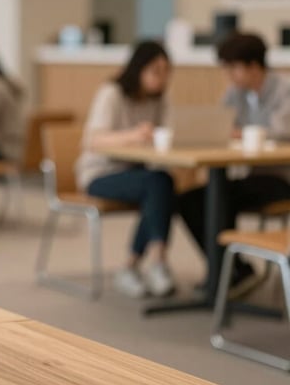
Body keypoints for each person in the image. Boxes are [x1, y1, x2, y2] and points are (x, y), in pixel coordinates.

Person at [178, 32, 290, 296]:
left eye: (233, 68)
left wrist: (241, 131)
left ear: (253, 66)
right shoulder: (235, 92)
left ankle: (227, 276)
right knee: (189, 200)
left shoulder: (284, 89)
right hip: (249, 174)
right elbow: (221, 124)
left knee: (222, 198)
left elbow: (281, 130)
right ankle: (234, 271)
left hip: (281, 177)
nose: (229, 75)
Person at [76, 41, 176, 298]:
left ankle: (132, 267)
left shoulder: (158, 100)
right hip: (99, 174)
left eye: (166, 72)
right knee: (158, 184)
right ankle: (156, 261)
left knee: (160, 184)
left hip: (139, 175)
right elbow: (92, 141)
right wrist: (134, 135)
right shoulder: (112, 93)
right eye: (156, 71)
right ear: (138, 69)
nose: (162, 78)